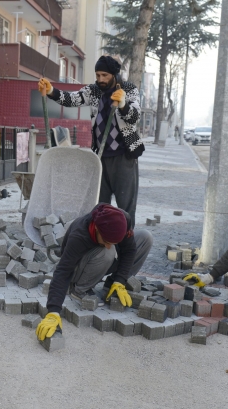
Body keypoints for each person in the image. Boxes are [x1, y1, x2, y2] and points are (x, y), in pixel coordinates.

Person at [38, 55, 144, 227]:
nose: (100, 79)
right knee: (99, 206)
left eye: (105, 75)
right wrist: (51, 91)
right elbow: (71, 99)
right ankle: (102, 245)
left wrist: (123, 104)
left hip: (125, 157)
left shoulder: (129, 90)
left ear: (114, 75)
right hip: (100, 157)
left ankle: (126, 244)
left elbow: (134, 116)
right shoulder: (94, 91)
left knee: (126, 207)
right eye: (98, 75)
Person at [35, 203, 153, 341]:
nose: (109, 244)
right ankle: (79, 289)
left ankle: (113, 286)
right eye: (106, 240)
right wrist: (53, 311)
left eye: (113, 241)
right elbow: (63, 272)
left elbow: (129, 250)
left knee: (145, 237)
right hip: (80, 267)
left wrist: (120, 280)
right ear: (96, 228)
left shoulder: (123, 220)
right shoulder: (79, 235)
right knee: (108, 251)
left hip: (101, 262)